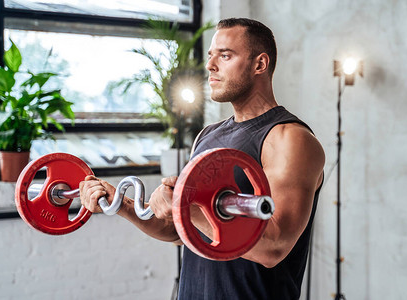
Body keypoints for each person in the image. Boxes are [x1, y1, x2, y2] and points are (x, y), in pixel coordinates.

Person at [79, 17, 325, 300]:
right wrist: (122, 204)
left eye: (225, 55)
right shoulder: (207, 135)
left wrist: (185, 205)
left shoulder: (289, 139)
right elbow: (178, 229)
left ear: (260, 64)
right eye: (211, 56)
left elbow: (275, 247)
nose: (210, 66)